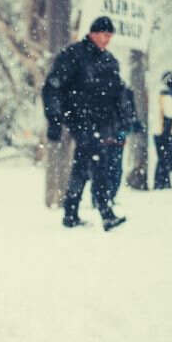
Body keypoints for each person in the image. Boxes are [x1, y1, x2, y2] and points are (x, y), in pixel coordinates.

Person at [42, 16, 126, 231]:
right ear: (94, 33)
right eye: (105, 35)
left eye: (110, 36)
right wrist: (55, 119)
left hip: (103, 122)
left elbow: (118, 93)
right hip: (79, 118)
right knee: (97, 161)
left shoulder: (109, 61)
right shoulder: (74, 55)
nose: (107, 40)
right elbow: (52, 87)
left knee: (84, 164)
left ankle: (71, 213)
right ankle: (105, 213)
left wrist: (124, 119)